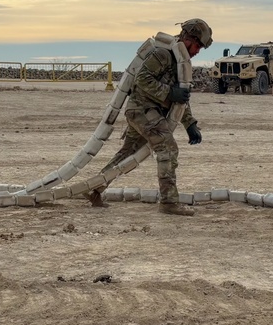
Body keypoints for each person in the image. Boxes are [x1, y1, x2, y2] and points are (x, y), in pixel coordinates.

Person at [88, 18, 213, 216]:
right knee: (168, 149)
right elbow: (143, 79)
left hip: (145, 112)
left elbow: (181, 96)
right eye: (197, 45)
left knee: (127, 154)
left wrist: (190, 123)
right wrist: (169, 93)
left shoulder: (180, 61)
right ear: (188, 37)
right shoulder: (163, 54)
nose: (197, 51)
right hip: (143, 110)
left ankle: (95, 189)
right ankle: (169, 203)